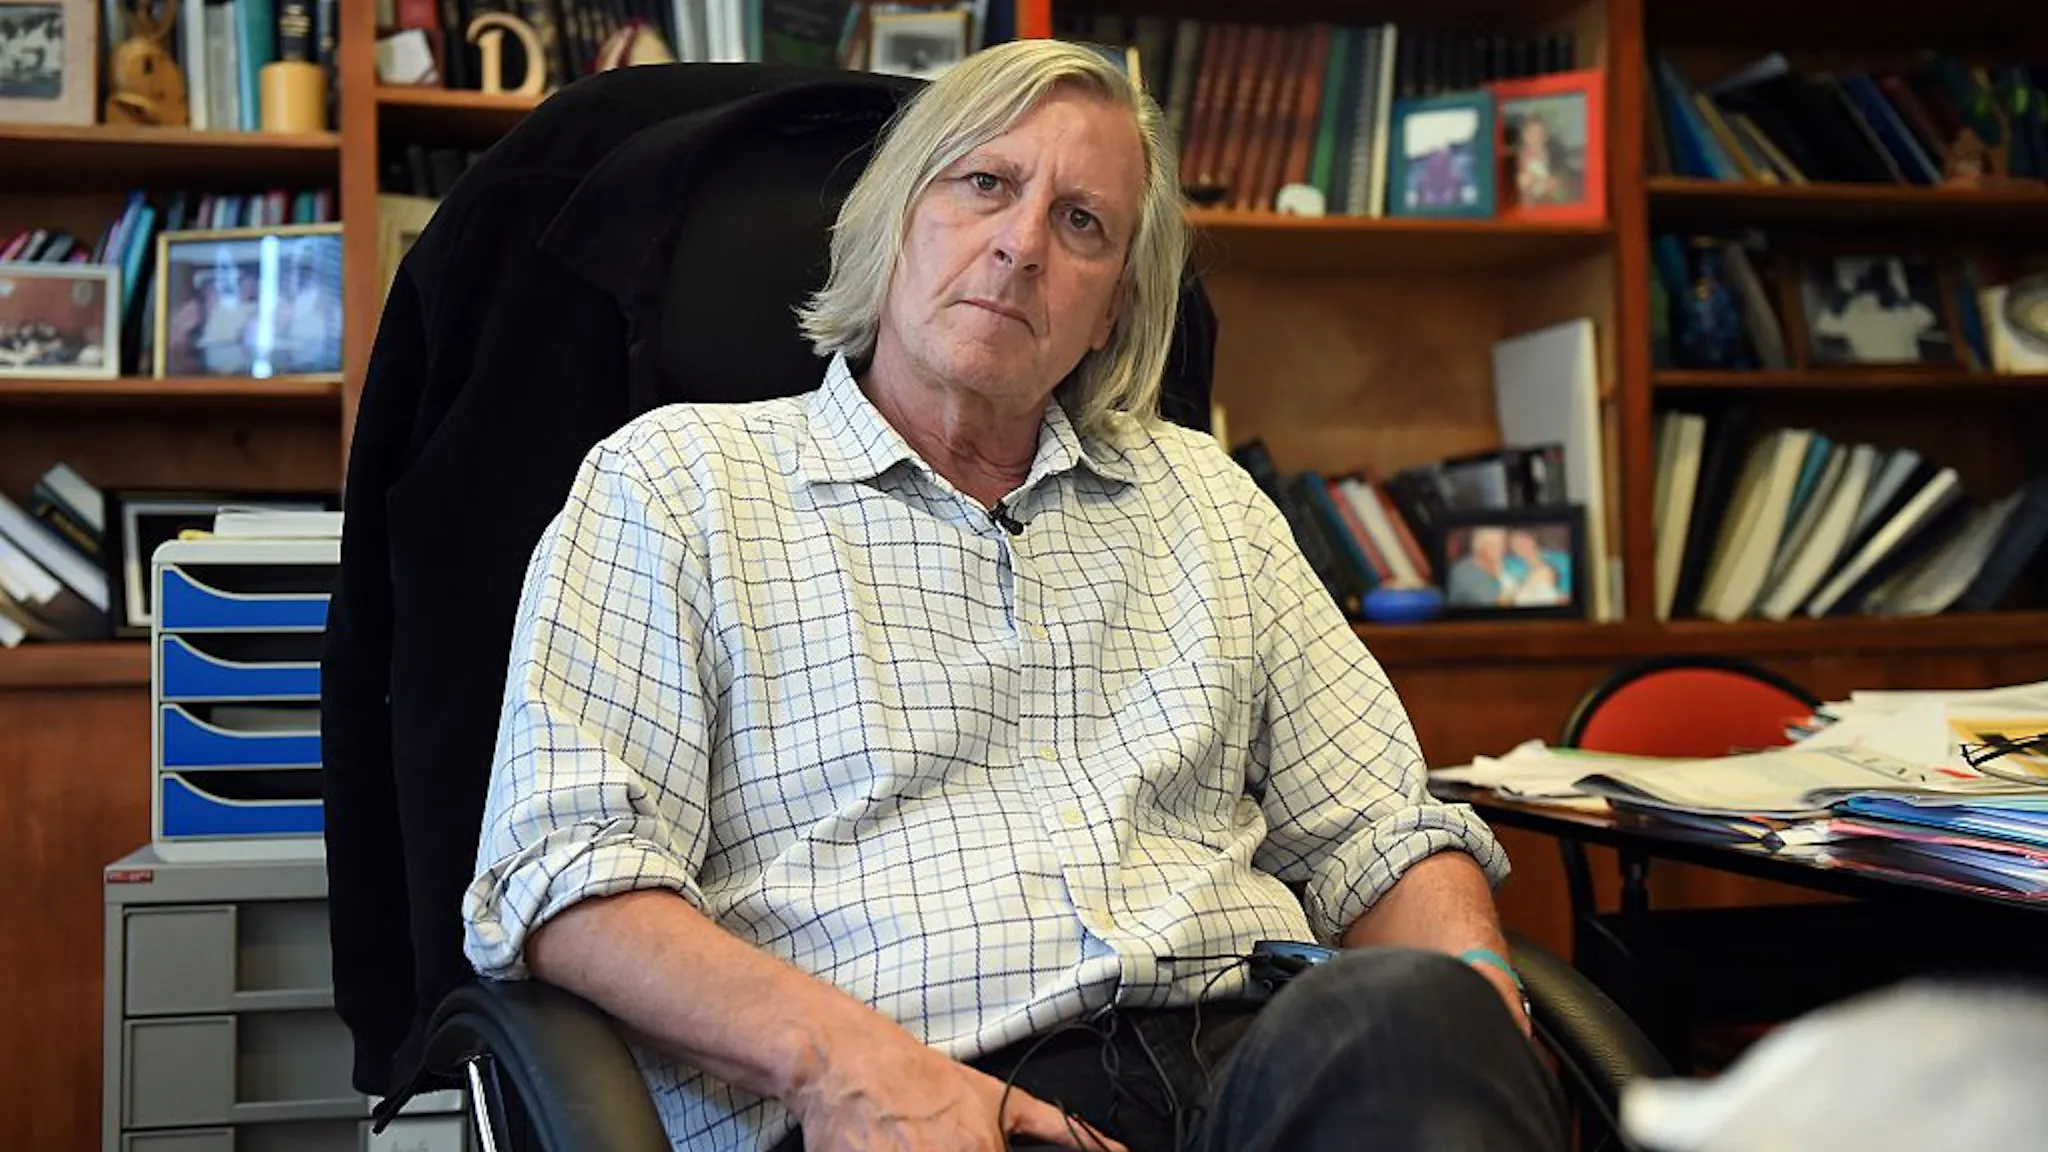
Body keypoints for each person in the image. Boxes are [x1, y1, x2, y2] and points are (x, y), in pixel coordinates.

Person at [462, 39, 1561, 1152]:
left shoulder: (1205, 500)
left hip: (1243, 1068)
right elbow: (566, 874)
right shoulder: (677, 486)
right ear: (892, 223)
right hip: (907, 1092)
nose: (1021, 244)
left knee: (1412, 1022)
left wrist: (1471, 994)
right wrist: (846, 1067)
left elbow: (1377, 830)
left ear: (1113, 311)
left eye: (1081, 222)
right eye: (984, 184)